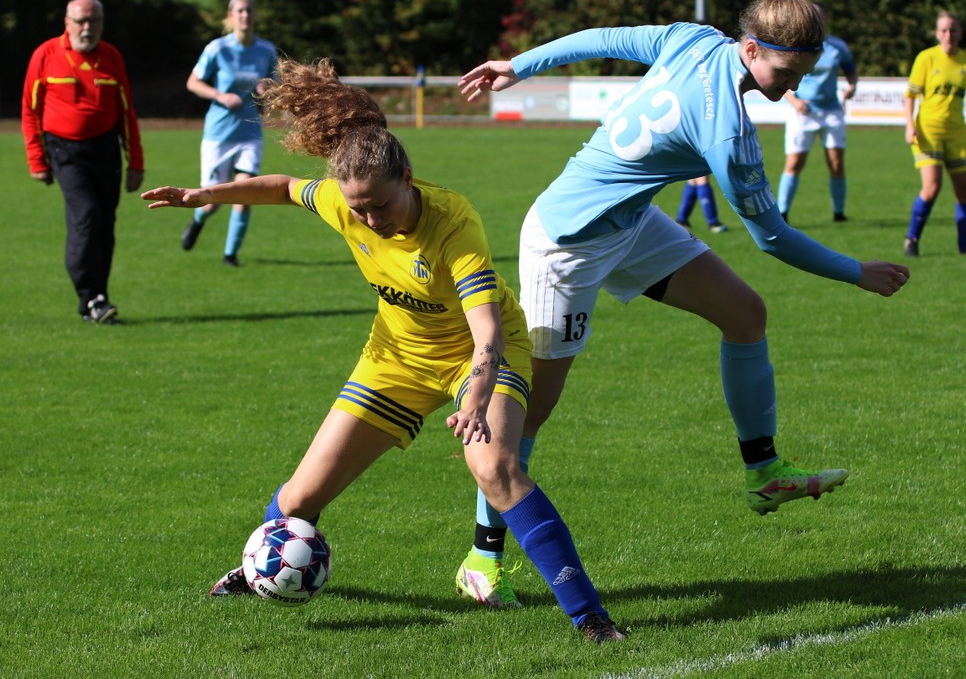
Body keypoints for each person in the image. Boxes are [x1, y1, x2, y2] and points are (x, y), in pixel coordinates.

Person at [455, 0, 911, 603]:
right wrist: (856, 272)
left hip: (631, 222)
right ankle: (483, 552)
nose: (792, 86)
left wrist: (519, 64)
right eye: (786, 73)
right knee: (535, 407)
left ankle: (764, 471)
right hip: (568, 241)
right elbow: (772, 236)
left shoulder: (693, 38)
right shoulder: (728, 132)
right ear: (752, 49)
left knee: (745, 314)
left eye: (804, 73)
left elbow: (603, 38)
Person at [141, 58, 625, 643]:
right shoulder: (346, 203)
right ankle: (263, 567)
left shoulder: (452, 223)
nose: (370, 218)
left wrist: (474, 400)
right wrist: (205, 194)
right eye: (359, 209)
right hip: (395, 359)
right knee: (298, 497)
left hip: (480, 355)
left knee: (494, 466)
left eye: (380, 205)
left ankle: (589, 616)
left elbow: (489, 335)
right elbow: (282, 187)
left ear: (408, 178)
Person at [21, 0, 144, 324]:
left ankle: (97, 299)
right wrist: (37, 160)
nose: (87, 27)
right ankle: (89, 295)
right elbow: (30, 111)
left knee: (105, 225)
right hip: (66, 150)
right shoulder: (46, 55)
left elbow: (126, 113)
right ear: (67, 22)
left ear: (102, 23)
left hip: (106, 150)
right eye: (80, 21)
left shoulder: (112, 57)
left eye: (93, 21)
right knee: (86, 216)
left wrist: (135, 163)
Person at [180, 0, 278, 266]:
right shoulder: (217, 49)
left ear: (255, 15)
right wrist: (220, 96)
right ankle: (198, 220)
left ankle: (230, 256)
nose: (245, 15)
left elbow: (275, 85)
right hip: (218, 135)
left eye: (249, 10)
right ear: (231, 16)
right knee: (211, 201)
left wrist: (266, 90)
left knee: (245, 194)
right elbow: (193, 82)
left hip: (250, 133)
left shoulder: (266, 50)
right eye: (240, 11)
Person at [903, 10, 966, 256]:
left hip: (957, 133)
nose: (948, 34)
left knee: (964, 190)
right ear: (937, 33)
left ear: (960, 32)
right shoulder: (926, 58)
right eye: (943, 30)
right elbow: (910, 95)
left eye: (953, 29)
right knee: (932, 187)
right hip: (928, 131)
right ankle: (912, 239)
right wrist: (909, 125)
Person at [777, 3, 859, 223]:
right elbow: (780, 78)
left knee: (836, 164)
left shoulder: (837, 47)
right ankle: (782, 213)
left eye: (819, 17)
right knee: (794, 163)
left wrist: (852, 87)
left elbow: (852, 72)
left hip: (831, 111)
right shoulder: (795, 45)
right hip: (803, 112)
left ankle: (839, 213)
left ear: (826, 19)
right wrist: (794, 101)